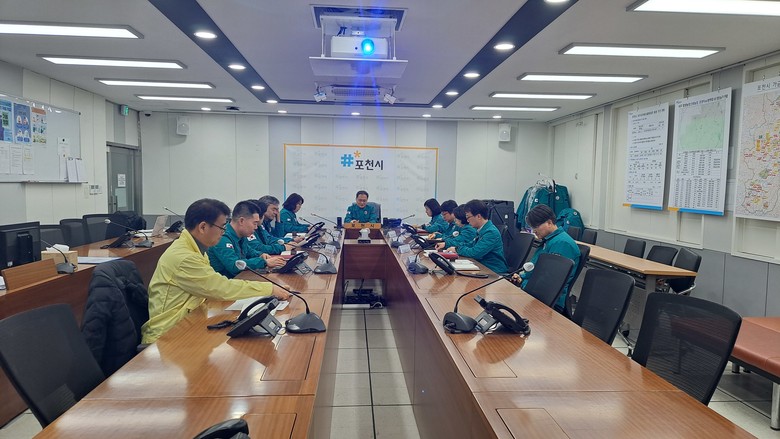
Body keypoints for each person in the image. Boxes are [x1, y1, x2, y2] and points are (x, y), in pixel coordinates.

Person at [141, 198, 291, 344]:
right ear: (203, 227)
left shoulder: (196, 249)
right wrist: (270, 289)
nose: (224, 232)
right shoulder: (184, 257)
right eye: (222, 227)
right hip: (166, 334)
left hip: (189, 320)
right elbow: (220, 287)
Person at [513, 204, 580, 311]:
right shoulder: (549, 240)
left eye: (536, 226)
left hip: (549, 301)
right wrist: (522, 276)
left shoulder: (562, 244)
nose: (534, 231)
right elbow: (535, 267)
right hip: (535, 292)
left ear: (549, 222)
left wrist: (523, 283)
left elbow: (549, 282)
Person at [207, 200, 286, 278]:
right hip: (227, 282)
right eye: (254, 223)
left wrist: (261, 255)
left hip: (239, 279)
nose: (256, 227)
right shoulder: (222, 238)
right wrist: (264, 262)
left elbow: (249, 251)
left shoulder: (241, 235)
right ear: (241, 221)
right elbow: (235, 265)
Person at [444, 199, 507, 274]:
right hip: (482, 267)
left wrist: (457, 249)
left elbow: (475, 253)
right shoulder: (481, 229)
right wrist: (456, 248)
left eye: (468, 217)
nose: (467, 221)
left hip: (493, 271)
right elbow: (470, 244)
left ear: (478, 216)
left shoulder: (491, 232)